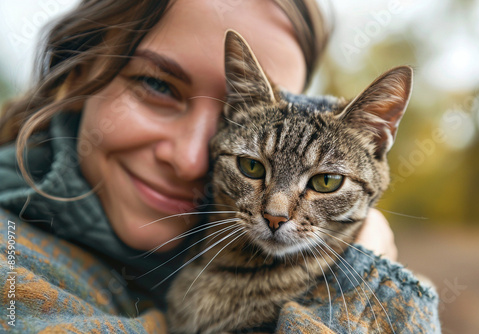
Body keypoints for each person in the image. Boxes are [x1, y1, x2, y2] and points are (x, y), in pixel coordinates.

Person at [0, 0, 438, 332]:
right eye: (158, 85)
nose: (195, 160)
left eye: (323, 180)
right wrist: (361, 290)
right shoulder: (13, 266)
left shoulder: (188, 249)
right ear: (77, 69)